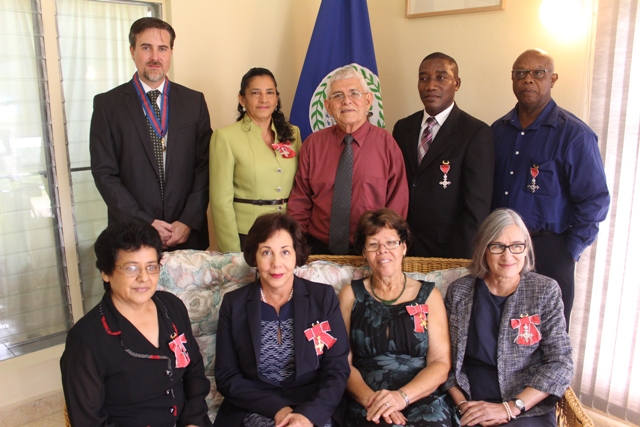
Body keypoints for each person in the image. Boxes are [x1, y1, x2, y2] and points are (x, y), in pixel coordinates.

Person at [491, 48, 610, 326]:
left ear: (553, 79)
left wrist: (569, 251)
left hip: (549, 249)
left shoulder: (574, 134)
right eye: (521, 73)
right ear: (512, 79)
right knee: (499, 328)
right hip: (501, 249)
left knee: (547, 333)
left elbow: (595, 199)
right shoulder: (497, 131)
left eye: (538, 73)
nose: (528, 79)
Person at [60, 218, 212, 427]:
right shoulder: (86, 339)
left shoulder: (172, 307)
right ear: (106, 272)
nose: (144, 278)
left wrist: (194, 421)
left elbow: (194, 372)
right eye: (131, 268)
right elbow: (88, 421)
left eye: (151, 267)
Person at [214, 213, 350, 427]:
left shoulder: (322, 298)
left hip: (311, 405)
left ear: (296, 255)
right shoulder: (234, 304)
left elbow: (337, 368)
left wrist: (308, 415)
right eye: (266, 252)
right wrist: (279, 409)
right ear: (254, 257)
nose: (276, 263)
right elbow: (227, 375)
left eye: (285, 252)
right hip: (256, 405)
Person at [90, 17, 212, 251]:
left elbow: (204, 166)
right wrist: (142, 222)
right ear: (132, 50)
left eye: (162, 48)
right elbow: (104, 173)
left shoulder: (194, 102)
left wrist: (188, 220)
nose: (155, 57)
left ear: (171, 52)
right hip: (132, 235)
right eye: (146, 48)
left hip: (185, 235)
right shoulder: (108, 105)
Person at [444, 208, 573, 426]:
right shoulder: (459, 292)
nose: (507, 255)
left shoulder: (545, 291)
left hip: (526, 404)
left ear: (526, 249)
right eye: (497, 246)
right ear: (483, 249)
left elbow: (560, 363)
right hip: (470, 398)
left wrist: (511, 407)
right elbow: (443, 359)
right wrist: (463, 404)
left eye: (516, 246)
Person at [338, 208, 454, 426]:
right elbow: (341, 362)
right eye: (373, 244)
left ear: (404, 247)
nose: (383, 251)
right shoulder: (350, 295)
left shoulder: (429, 296)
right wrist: (373, 401)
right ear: (364, 252)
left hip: (420, 396)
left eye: (391, 243)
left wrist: (401, 397)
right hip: (367, 398)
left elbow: (440, 363)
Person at [288, 66, 408, 255]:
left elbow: (397, 204)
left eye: (354, 93)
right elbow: (300, 201)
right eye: (338, 95)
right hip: (316, 250)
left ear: (368, 100)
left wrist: (385, 248)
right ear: (328, 106)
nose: (346, 101)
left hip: (372, 250)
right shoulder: (313, 145)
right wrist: (294, 244)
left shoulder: (387, 145)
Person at [392, 52, 494, 258]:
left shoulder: (475, 132)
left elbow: (477, 208)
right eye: (423, 78)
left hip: (449, 251)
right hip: (403, 248)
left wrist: (459, 260)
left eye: (441, 77)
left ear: (457, 83)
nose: (430, 86)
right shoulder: (402, 128)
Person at [210, 68, 302, 252]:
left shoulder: (293, 133)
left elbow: (302, 187)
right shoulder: (226, 137)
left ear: (277, 98)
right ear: (242, 99)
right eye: (255, 93)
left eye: (270, 93)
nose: (264, 99)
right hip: (247, 235)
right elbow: (220, 201)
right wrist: (231, 251)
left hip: (286, 234)